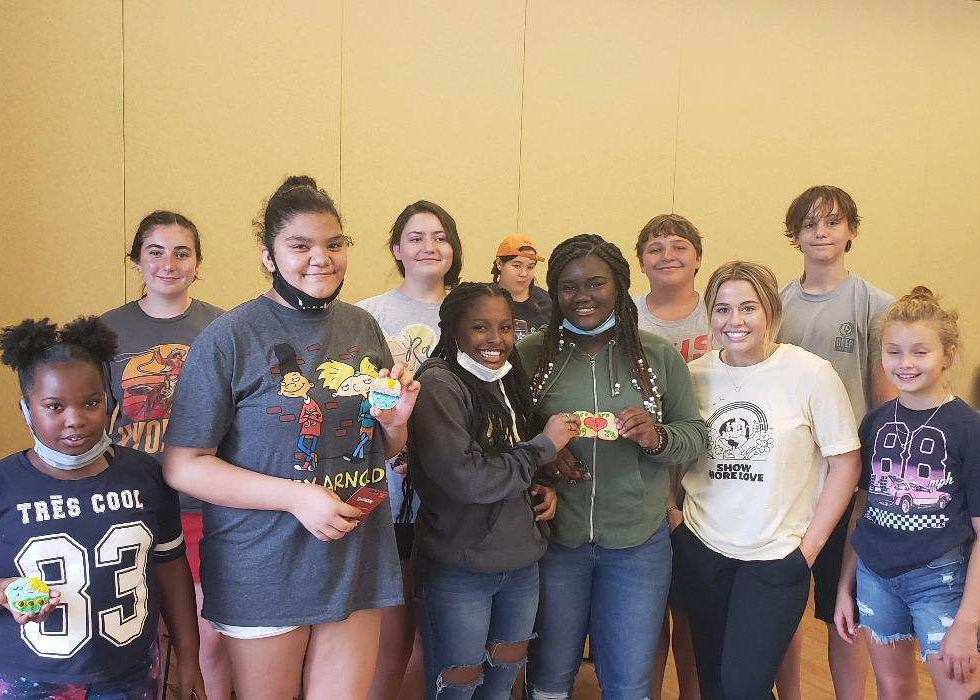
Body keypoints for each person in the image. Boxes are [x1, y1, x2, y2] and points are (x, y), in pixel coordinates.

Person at [162, 175, 420, 700]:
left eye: (334, 245)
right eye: (299, 246)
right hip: (264, 567)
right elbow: (184, 465)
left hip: (355, 560)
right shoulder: (229, 337)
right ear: (268, 255)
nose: (320, 259)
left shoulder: (362, 329)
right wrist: (296, 497)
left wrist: (396, 425)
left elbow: (376, 447)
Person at [519, 233, 707, 699]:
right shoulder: (529, 356)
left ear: (620, 287)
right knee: (550, 670)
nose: (582, 297)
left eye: (596, 284)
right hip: (554, 541)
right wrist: (542, 452)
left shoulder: (656, 355)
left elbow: (696, 435)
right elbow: (503, 437)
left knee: (628, 679)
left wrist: (655, 435)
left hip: (637, 545)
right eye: (568, 286)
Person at [672, 261, 861, 699]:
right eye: (721, 309)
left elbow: (846, 463)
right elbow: (673, 452)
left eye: (747, 308)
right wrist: (672, 516)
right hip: (703, 548)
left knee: (745, 685)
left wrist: (808, 548)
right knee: (715, 684)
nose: (734, 321)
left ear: (771, 311)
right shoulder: (695, 375)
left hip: (778, 556)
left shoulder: (811, 373)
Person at [0, 317, 204, 699]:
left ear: (110, 400)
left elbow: (172, 571)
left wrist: (190, 657)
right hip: (28, 679)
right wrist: (4, 593)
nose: (75, 419)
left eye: (90, 403)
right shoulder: (5, 484)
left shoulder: (144, 474)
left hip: (129, 673)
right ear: (26, 408)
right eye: (54, 406)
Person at [408, 282, 575, 699]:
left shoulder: (508, 378)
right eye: (480, 327)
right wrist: (542, 450)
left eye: (505, 328)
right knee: (457, 688)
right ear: (453, 330)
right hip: (460, 569)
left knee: (501, 683)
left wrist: (543, 482)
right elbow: (469, 479)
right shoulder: (439, 385)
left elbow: (515, 448)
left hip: (521, 564)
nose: (495, 340)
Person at [100, 210, 228, 698]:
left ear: (198, 263)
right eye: (155, 251)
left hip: (204, 508)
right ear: (136, 260)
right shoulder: (103, 332)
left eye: (182, 252)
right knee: (139, 638)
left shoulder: (224, 327)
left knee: (208, 639)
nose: (168, 263)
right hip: (130, 508)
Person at [775, 185, 896, 699]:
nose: (820, 232)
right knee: (781, 606)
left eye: (832, 222)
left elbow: (885, 403)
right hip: (787, 480)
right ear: (794, 235)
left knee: (843, 608)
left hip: (849, 482)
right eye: (809, 224)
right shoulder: (775, 305)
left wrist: (872, 484)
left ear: (851, 231)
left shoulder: (875, 302)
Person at [835, 287, 980, 699]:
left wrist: (968, 622)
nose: (905, 363)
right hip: (875, 578)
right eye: (894, 351)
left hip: (941, 582)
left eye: (920, 351)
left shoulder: (969, 429)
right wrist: (845, 588)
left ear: (947, 355)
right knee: (893, 688)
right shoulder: (875, 423)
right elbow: (862, 511)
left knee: (959, 689)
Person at [356, 200, 462, 700]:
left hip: (455, 486)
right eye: (416, 237)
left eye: (440, 237)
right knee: (391, 627)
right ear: (396, 249)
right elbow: (360, 398)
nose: (429, 247)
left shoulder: (471, 311)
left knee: (437, 631)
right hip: (390, 487)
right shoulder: (366, 315)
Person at [634, 213, 708, 699]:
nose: (668, 255)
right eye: (656, 248)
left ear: (698, 258)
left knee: (693, 613)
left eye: (679, 246)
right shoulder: (625, 318)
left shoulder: (719, 313)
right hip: (644, 481)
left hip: (709, 477)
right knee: (646, 614)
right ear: (641, 262)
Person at [491, 235, 551, 341]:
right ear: (499, 264)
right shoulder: (482, 300)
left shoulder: (547, 303)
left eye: (530, 267)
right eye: (517, 266)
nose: (523, 274)